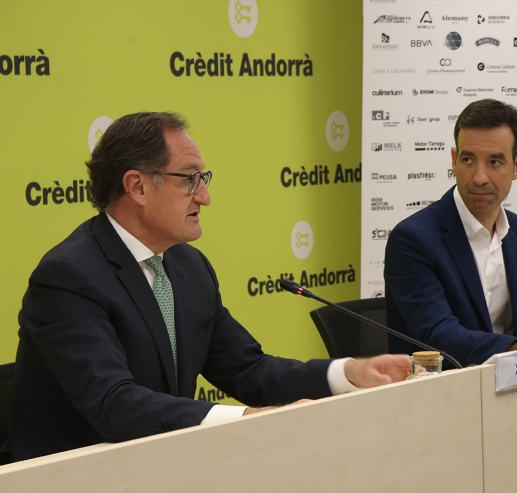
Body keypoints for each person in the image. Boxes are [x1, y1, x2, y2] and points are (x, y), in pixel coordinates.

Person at [2, 112, 411, 463]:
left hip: (164, 464)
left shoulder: (186, 264)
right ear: (138, 186)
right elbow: (114, 403)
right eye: (190, 180)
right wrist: (245, 420)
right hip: (73, 476)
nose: (206, 196)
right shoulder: (68, 277)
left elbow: (248, 369)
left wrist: (348, 372)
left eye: (204, 179)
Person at [384, 99, 517, 367]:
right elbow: (440, 336)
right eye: (468, 160)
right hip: (444, 391)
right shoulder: (414, 239)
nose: (479, 177)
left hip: (515, 390)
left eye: (495, 161)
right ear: (454, 159)